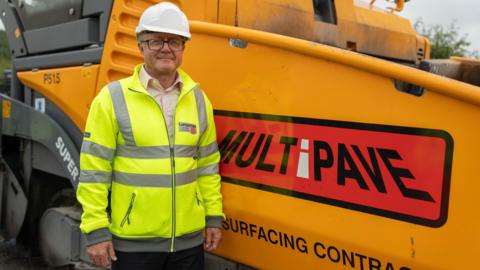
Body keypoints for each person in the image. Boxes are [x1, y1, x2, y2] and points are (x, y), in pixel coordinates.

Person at [76, 2, 224, 269]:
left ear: (183, 48)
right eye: (156, 40)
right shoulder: (112, 99)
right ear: (140, 46)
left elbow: (207, 166)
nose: (166, 48)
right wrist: (95, 230)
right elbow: (93, 170)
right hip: (133, 245)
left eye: (175, 41)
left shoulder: (199, 100)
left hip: (188, 244)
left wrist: (213, 216)